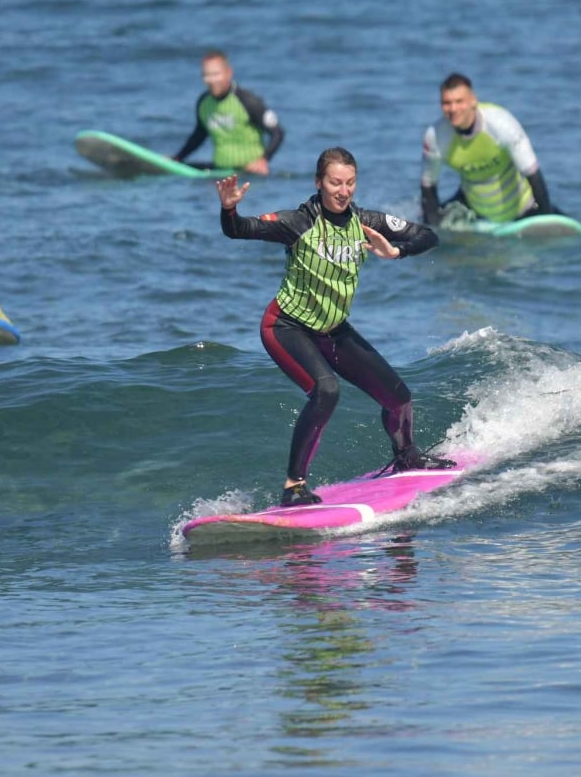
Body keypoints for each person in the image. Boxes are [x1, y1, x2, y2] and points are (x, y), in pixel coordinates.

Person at [217, 146, 453, 506]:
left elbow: (426, 235)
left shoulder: (365, 222)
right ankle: (293, 487)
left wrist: (396, 252)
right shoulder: (297, 222)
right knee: (326, 391)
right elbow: (239, 230)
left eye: (350, 183)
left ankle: (407, 457)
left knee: (399, 398)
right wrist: (229, 207)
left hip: (333, 329)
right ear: (319, 183)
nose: (343, 191)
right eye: (334, 183)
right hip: (286, 326)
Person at [420, 72, 559, 226]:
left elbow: (534, 175)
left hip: (524, 210)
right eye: (446, 103)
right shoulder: (436, 137)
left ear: (473, 101)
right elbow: (428, 188)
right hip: (475, 214)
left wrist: (546, 220)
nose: (453, 109)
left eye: (459, 101)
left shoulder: (501, 125)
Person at [174, 50, 285, 175]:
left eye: (216, 74)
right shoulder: (203, 102)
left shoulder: (248, 101)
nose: (211, 80)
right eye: (206, 75)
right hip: (219, 172)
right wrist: (178, 158)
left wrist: (263, 160)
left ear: (228, 73)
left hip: (249, 175)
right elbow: (199, 135)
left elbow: (278, 132)